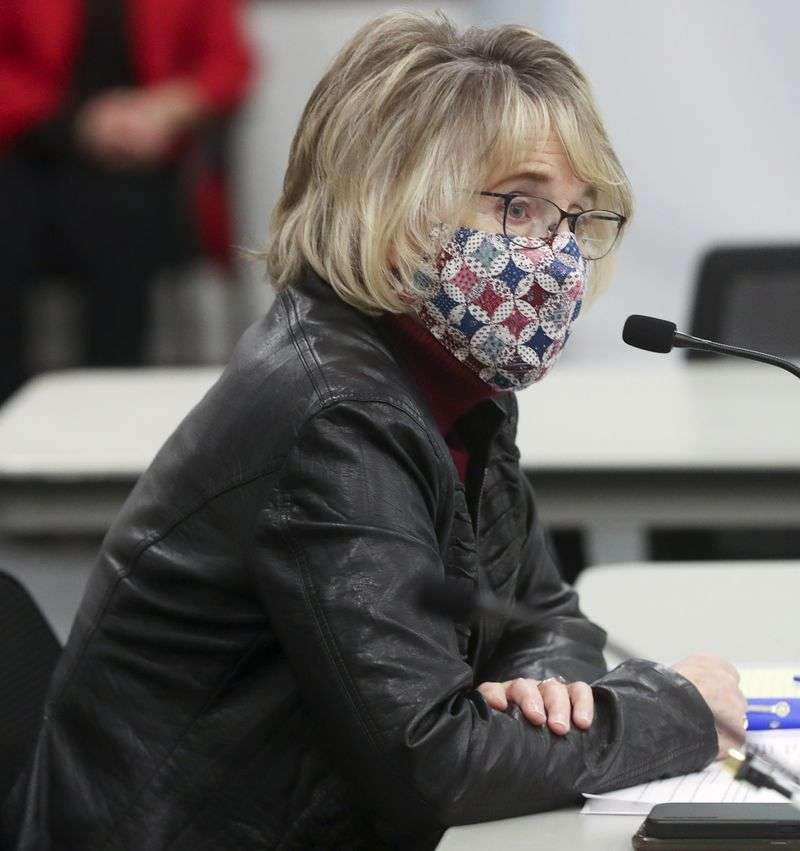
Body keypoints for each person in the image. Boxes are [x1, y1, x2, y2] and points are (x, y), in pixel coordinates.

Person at [1, 12, 746, 850]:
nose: (559, 257)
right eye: (523, 206)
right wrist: (675, 709)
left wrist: (547, 690)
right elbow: (438, 762)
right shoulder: (337, 411)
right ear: (395, 195)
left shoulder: (455, 373)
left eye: (576, 220)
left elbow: (539, 612)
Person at [0, 0, 253, 402]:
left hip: (142, 159)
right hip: (31, 148)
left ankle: (108, 403)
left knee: (120, 221)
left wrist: (164, 108)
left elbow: (228, 64)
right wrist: (84, 122)